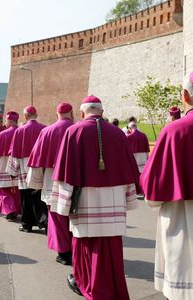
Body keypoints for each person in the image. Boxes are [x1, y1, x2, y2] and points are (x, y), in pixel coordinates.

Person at [50, 95, 140, 300]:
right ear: (102, 111)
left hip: (85, 202)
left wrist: (62, 204)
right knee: (111, 248)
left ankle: (91, 287)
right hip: (114, 200)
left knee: (84, 246)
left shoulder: (73, 132)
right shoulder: (118, 134)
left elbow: (65, 171)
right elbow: (129, 170)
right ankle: (113, 291)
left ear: (82, 113)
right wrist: (129, 199)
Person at [140, 68, 193, 300]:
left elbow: (152, 184)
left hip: (183, 215)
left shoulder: (174, 130)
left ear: (185, 96)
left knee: (187, 287)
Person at [27, 102, 74, 264]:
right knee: (74, 216)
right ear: (72, 114)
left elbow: (37, 160)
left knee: (56, 217)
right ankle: (77, 250)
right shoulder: (79, 129)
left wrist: (35, 184)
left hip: (51, 180)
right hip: (75, 180)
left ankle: (64, 253)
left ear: (56, 115)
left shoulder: (47, 131)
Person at [6, 105, 46, 232]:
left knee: (26, 198)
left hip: (24, 168)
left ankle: (26, 224)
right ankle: (43, 222)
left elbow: (14, 153)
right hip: (41, 168)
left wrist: (12, 171)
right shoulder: (44, 129)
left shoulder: (20, 130)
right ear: (36, 115)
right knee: (41, 198)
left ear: (25, 116)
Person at [0, 111, 21, 220]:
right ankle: (17, 209)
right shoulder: (21, 131)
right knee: (16, 190)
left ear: (8, 121)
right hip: (19, 165)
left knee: (2, 189)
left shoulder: (3, 134)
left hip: (4, 164)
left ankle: (10, 209)